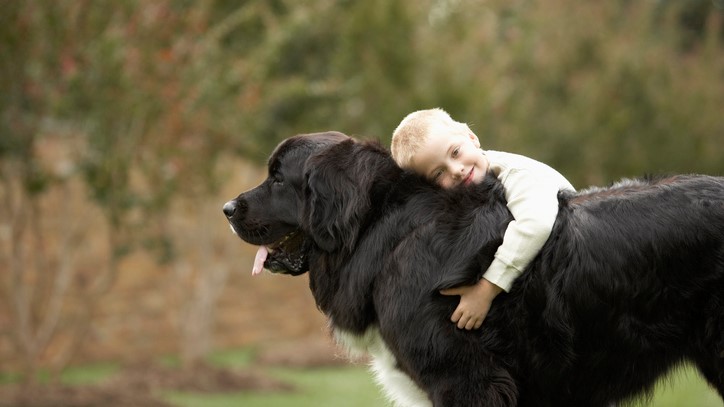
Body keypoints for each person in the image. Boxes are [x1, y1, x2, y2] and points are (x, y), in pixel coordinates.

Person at [390, 108, 575, 330]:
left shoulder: (515, 174)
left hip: (575, 258)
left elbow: (536, 225)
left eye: (455, 152)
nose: (456, 170)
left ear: (471, 137)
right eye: (439, 173)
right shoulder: (475, 190)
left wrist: (487, 289)